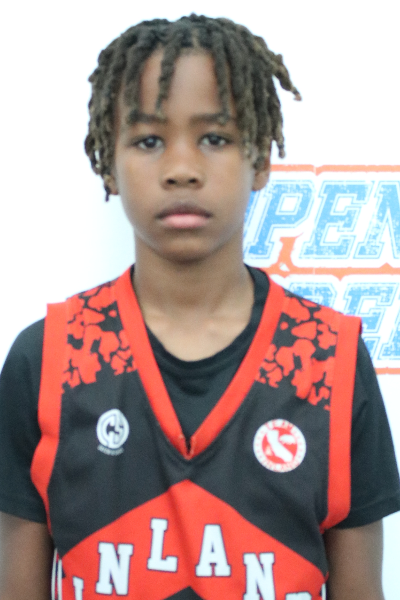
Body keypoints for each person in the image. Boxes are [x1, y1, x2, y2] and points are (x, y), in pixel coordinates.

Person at [0, 14, 399, 600]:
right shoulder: (48, 360)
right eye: (149, 140)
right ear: (108, 162)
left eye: (215, 138)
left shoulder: (329, 360)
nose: (182, 169)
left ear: (260, 160)